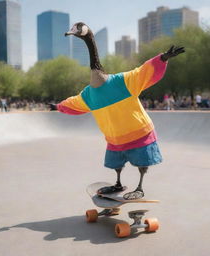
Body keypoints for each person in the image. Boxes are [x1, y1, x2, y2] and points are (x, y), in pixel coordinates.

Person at [50, 22, 185, 200]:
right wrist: (58, 106)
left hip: (139, 133)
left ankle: (140, 187)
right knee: (115, 162)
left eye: (77, 29)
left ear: (85, 32)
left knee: (141, 161)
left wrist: (162, 59)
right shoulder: (89, 94)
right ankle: (119, 183)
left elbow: (142, 72)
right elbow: (74, 103)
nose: (73, 32)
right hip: (115, 139)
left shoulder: (122, 82)